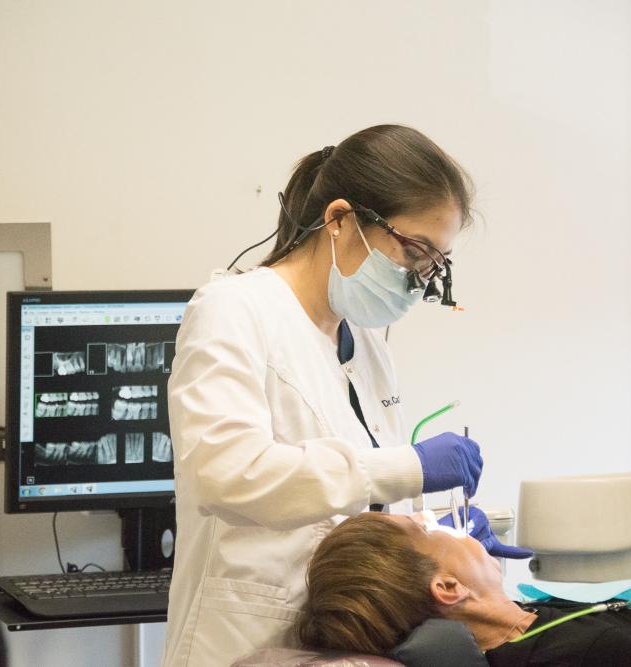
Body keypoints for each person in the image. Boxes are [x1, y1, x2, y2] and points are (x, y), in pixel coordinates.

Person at [163, 125, 486, 666]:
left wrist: (440, 539)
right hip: (245, 638)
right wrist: (409, 467)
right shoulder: (234, 310)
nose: (417, 279)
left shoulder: (364, 343)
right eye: (413, 252)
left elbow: (360, 507)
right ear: (339, 220)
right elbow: (224, 474)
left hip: (345, 644)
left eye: (434, 265)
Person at [297, 513, 631, 666]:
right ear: (449, 587)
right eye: (427, 530)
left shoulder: (526, 621)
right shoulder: (595, 654)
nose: (447, 527)